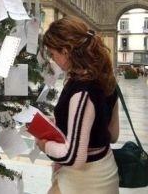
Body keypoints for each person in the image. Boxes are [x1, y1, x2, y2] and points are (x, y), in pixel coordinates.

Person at [39, 16, 119, 194]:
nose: (53, 59)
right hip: (105, 171)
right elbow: (113, 135)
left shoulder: (81, 90)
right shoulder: (107, 79)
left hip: (85, 182)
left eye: (53, 54)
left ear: (66, 51)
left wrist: (43, 144)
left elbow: (75, 157)